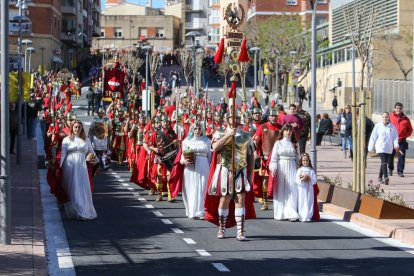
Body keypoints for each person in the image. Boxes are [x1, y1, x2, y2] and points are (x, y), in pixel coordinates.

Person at [205, 111, 256, 241]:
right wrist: (228, 135)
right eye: (232, 117)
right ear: (227, 119)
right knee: (224, 199)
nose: (235, 120)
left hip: (240, 169)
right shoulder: (219, 132)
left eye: (237, 118)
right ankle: (222, 228)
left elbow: (251, 155)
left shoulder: (246, 135)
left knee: (241, 199)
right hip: (225, 169)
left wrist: (250, 175)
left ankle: (240, 230)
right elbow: (215, 147)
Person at [60, 120, 97, 220]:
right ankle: (74, 210)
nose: (77, 129)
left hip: (82, 166)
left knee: (81, 187)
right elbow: (63, 154)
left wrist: (93, 160)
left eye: (79, 127)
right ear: (72, 128)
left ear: (82, 128)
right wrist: (58, 167)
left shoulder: (86, 139)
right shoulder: (66, 140)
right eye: (75, 127)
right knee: (72, 187)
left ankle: (81, 210)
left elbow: (92, 152)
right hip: (70, 165)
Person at [180, 122, 211, 219]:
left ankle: (201, 211)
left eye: (199, 129)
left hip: (203, 165)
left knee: (202, 187)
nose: (197, 131)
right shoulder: (186, 141)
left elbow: (210, 156)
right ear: (192, 130)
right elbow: (182, 157)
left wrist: (210, 168)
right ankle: (192, 211)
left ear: (202, 130)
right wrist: (184, 161)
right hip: (190, 168)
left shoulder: (207, 141)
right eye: (195, 129)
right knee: (191, 187)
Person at [269, 124, 299, 221]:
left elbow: (298, 158)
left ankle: (291, 212)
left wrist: (300, 169)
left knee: (292, 189)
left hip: (292, 167)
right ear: (283, 132)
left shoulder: (294, 144)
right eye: (286, 130)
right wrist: (273, 168)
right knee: (280, 189)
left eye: (290, 130)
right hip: (281, 167)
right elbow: (273, 158)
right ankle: (280, 213)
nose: (288, 132)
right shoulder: (278, 143)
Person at [253, 108, 281, 210]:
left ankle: (278, 201)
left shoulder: (281, 128)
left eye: (275, 116)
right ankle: (265, 202)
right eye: (272, 116)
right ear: (268, 117)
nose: (273, 118)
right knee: (265, 181)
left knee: (278, 180)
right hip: (265, 158)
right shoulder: (262, 127)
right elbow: (256, 141)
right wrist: (255, 152)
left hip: (277, 158)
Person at [368, 112, 399, 185]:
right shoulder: (378, 126)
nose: (385, 118)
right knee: (384, 161)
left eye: (386, 117)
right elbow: (373, 136)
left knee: (384, 162)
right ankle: (386, 177)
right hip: (380, 147)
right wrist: (370, 147)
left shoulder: (392, 127)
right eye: (384, 117)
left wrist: (396, 144)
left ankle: (379, 177)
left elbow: (395, 137)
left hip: (388, 147)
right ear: (382, 118)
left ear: (388, 118)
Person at [389, 102, 413, 177]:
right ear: (394, 109)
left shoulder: (405, 119)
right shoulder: (390, 117)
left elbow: (410, 129)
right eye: (397, 108)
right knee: (390, 155)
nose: (398, 110)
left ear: (402, 109)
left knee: (401, 156)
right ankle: (390, 169)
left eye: (400, 108)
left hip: (402, 140)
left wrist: (406, 135)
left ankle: (400, 171)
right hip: (391, 139)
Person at [296, 153, 317, 222]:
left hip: (309, 188)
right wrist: (302, 179)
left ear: (309, 161)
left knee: (309, 201)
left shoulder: (311, 170)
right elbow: (296, 179)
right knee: (301, 201)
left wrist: (309, 179)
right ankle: (301, 216)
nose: (305, 162)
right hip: (302, 188)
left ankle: (308, 216)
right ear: (301, 161)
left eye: (306, 160)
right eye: (303, 161)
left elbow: (314, 180)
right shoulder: (300, 170)